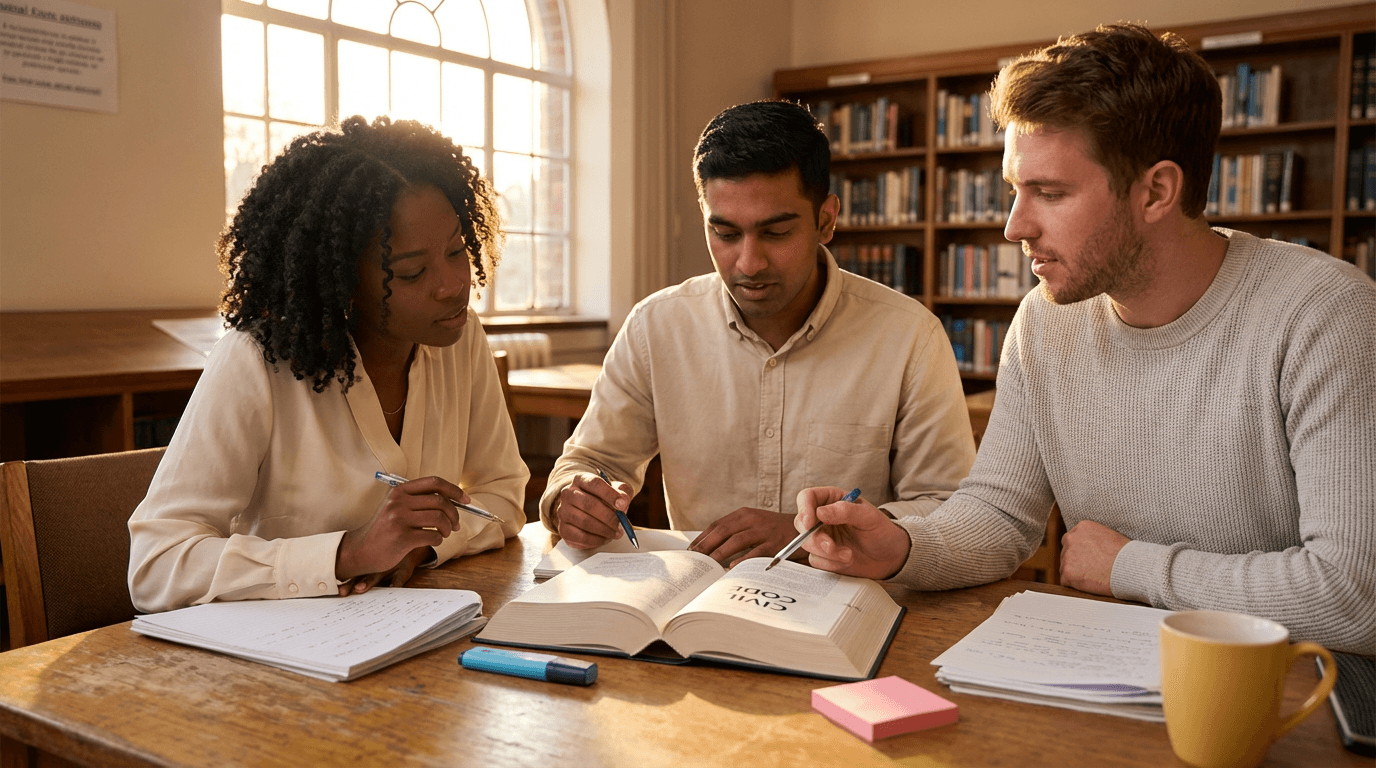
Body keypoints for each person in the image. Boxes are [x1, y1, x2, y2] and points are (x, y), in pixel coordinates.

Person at [794, 24, 1375, 654]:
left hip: (1282, 703)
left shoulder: (1325, 317)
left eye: (1050, 193)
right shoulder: (1045, 322)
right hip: (1108, 673)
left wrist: (1129, 567)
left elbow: (1352, 596)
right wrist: (903, 545)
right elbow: (998, 515)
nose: (1015, 227)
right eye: (1016, 190)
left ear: (1157, 191)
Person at [540, 100, 975, 566]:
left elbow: (948, 510)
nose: (749, 264)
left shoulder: (909, 338)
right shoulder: (656, 327)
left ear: (826, 220)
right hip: (695, 606)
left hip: (846, 605)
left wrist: (812, 533)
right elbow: (588, 462)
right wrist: (575, 497)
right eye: (726, 234)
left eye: (776, 233)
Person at [128, 116, 528, 613]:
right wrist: (345, 553)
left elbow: (504, 496)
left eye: (455, 251)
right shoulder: (257, 361)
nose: (452, 285)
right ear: (341, 284)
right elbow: (156, 563)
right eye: (412, 271)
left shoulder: (461, 342)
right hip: (273, 661)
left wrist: (422, 544)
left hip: (403, 637)